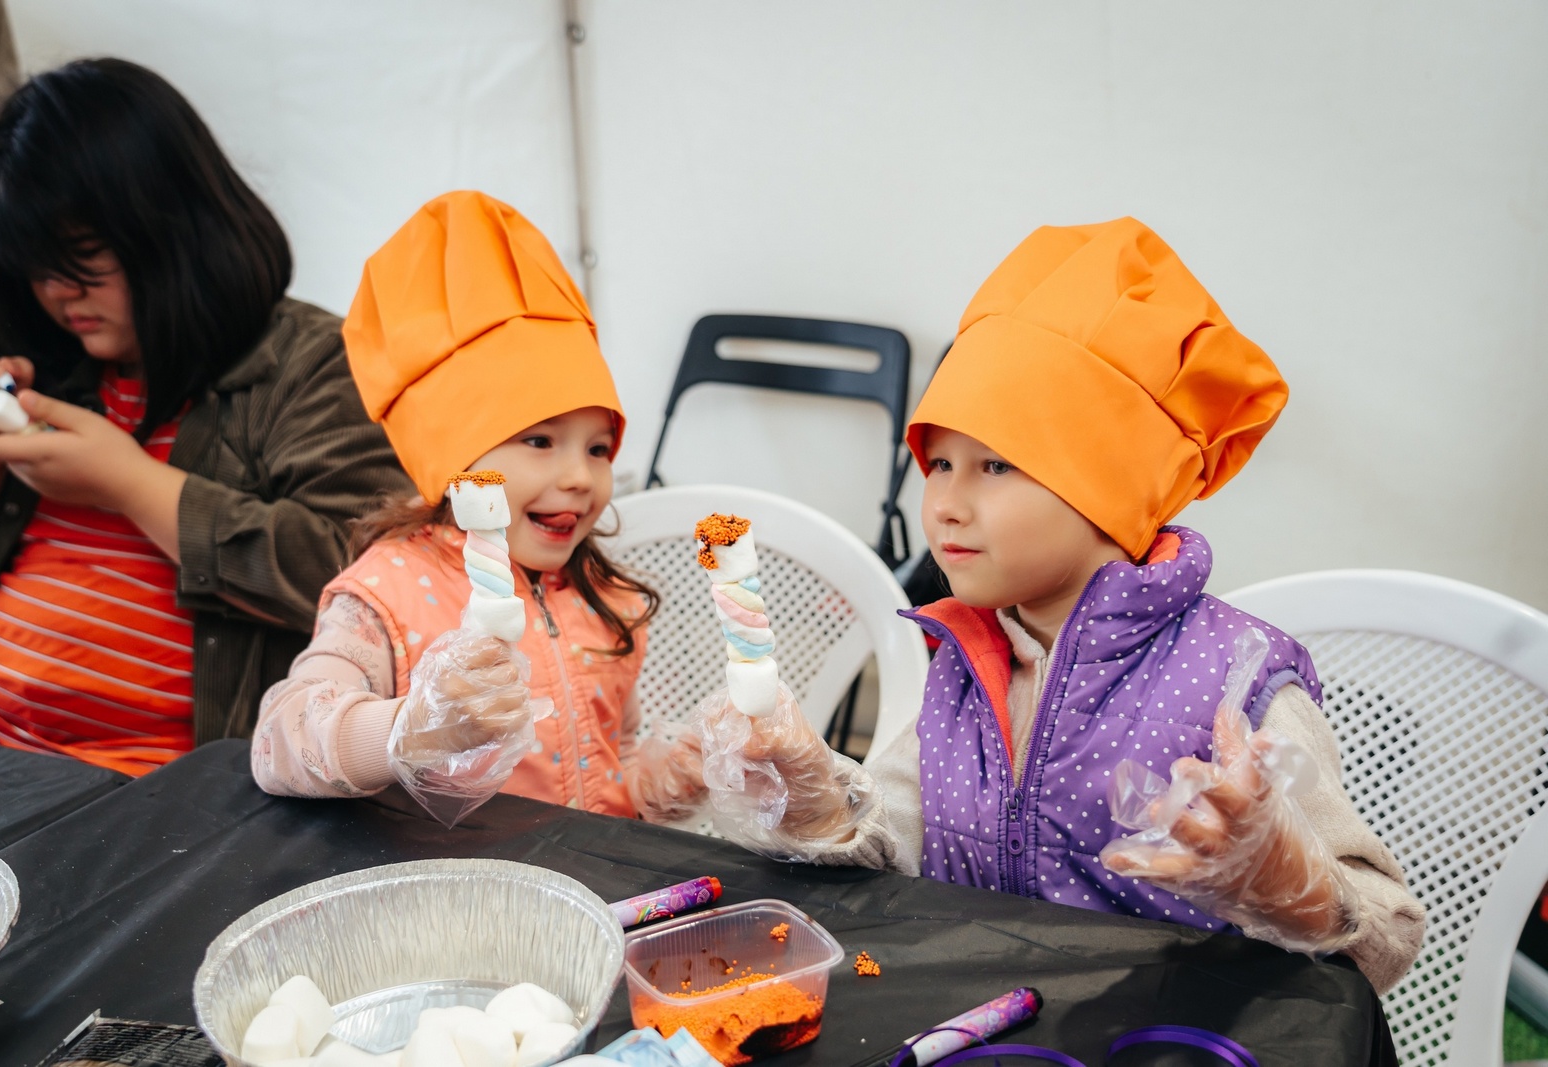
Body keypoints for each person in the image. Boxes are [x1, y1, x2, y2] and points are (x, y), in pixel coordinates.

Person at [689, 218, 1425, 993]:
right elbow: (894, 847)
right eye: (937, 461)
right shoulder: (969, 664)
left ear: (1108, 486)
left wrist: (1286, 880)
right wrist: (814, 799)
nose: (943, 503)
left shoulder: (1234, 687)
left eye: (996, 463)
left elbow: (1389, 936)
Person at [0, 59, 410, 774]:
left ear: (171, 226)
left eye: (83, 257)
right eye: (37, 267)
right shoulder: (47, 359)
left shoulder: (311, 363)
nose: (59, 294)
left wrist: (132, 484)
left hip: (162, 786)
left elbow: (365, 575)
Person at [251, 191, 698, 820]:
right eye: (539, 440)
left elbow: (611, 769)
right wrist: (409, 729)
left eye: (599, 447)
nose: (579, 476)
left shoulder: (605, 595)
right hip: (449, 896)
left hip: (591, 890)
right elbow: (280, 744)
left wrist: (687, 769)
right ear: (453, 457)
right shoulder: (387, 593)